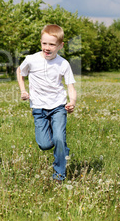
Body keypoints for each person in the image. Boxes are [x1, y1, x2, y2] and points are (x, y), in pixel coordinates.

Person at [16, 24, 77, 182]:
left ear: (60, 46)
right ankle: (63, 150)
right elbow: (19, 72)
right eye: (44, 43)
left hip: (58, 107)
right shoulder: (31, 59)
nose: (47, 47)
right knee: (44, 144)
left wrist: (72, 102)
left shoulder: (63, 64)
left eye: (52, 44)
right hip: (39, 108)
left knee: (58, 138)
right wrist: (23, 90)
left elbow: (70, 86)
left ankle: (59, 175)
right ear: (41, 42)